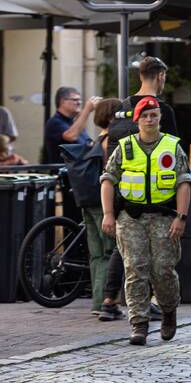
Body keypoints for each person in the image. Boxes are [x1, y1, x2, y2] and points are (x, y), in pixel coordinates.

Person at [99, 97, 191, 345]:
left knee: (163, 270)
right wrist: (108, 214)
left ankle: (168, 311)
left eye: (154, 115)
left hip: (164, 217)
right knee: (135, 269)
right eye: (145, 115)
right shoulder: (125, 148)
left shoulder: (172, 147)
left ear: (160, 118)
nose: (150, 119)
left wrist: (181, 217)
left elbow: (184, 183)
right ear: (137, 119)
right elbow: (108, 180)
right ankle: (138, 324)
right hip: (131, 218)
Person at [80, 98, 122, 316]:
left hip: (87, 201)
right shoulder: (111, 141)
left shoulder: (96, 139)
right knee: (108, 252)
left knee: (96, 254)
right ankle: (106, 302)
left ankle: (98, 302)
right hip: (100, 202)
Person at [45, 87, 99, 164]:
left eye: (80, 100)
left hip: (79, 171)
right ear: (62, 101)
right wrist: (87, 110)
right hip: (64, 173)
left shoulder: (74, 123)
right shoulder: (55, 122)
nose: (79, 102)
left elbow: (87, 144)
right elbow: (71, 136)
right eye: (75, 100)